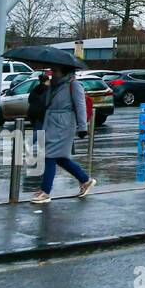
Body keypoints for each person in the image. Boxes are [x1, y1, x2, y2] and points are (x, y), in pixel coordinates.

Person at [29, 65, 96, 204]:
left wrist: (83, 127)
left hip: (63, 125)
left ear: (64, 71)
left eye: (55, 71)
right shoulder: (54, 85)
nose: (53, 73)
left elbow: (80, 106)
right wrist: (41, 89)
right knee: (59, 158)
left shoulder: (74, 85)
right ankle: (85, 180)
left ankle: (45, 191)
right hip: (51, 123)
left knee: (50, 155)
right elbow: (45, 104)